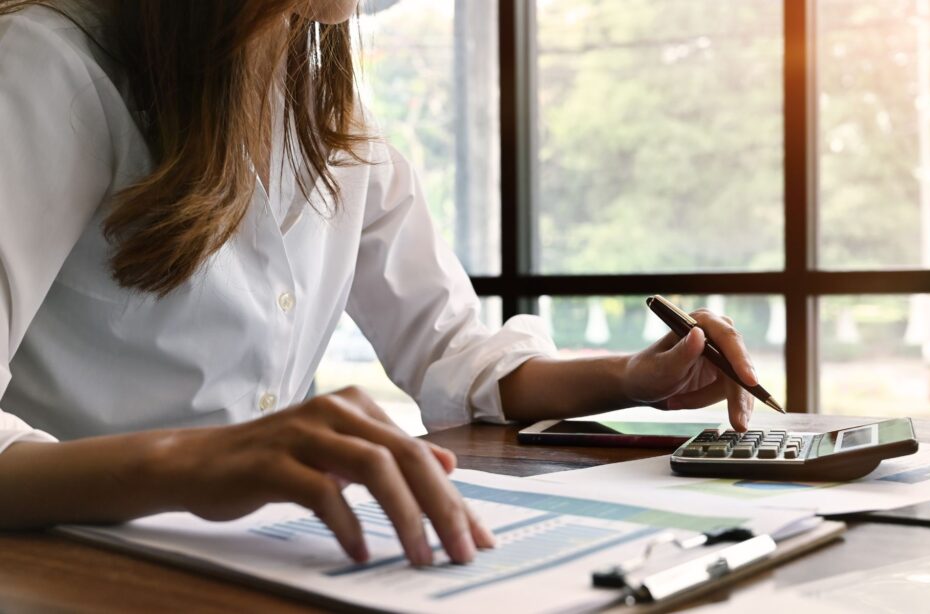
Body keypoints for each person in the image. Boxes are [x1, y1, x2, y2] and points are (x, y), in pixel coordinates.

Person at [0, 0, 759, 567]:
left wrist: (635, 375)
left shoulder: (326, 111)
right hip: (69, 570)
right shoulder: (46, 69)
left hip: (260, 565)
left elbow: (455, 354)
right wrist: (193, 462)